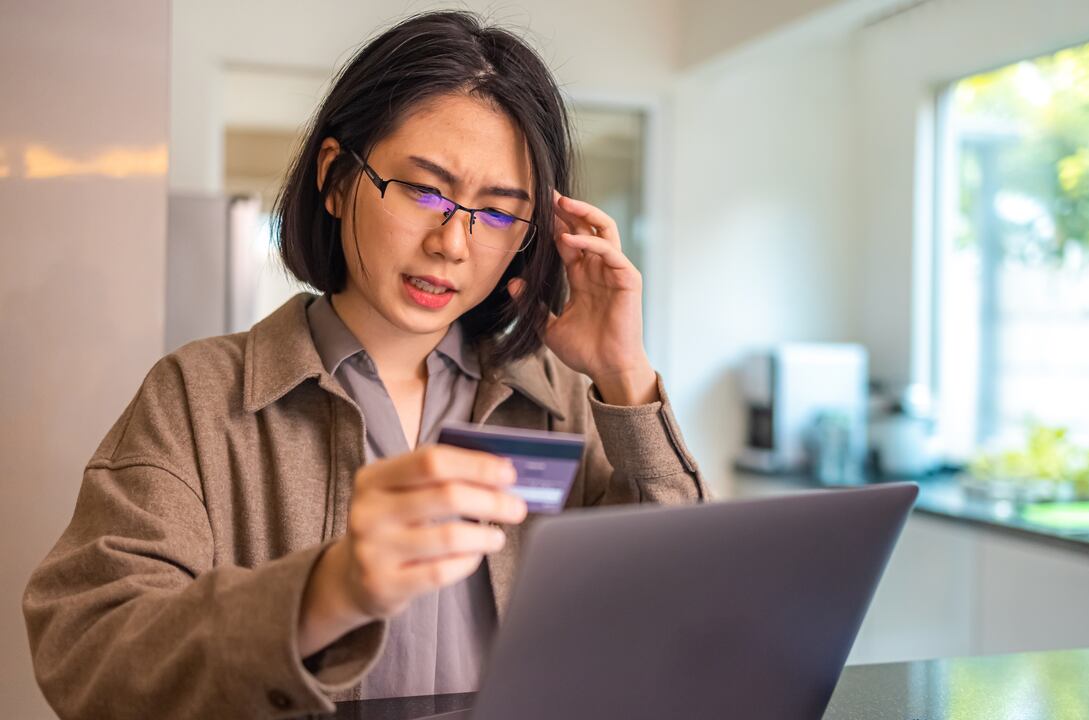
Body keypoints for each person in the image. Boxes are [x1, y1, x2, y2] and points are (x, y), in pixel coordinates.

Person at [22, 11, 707, 719]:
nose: (453, 242)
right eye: (423, 190)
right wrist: (327, 591)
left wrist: (625, 376)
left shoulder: (559, 402)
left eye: (498, 213)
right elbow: (88, 653)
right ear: (337, 179)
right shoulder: (198, 399)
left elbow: (690, 616)